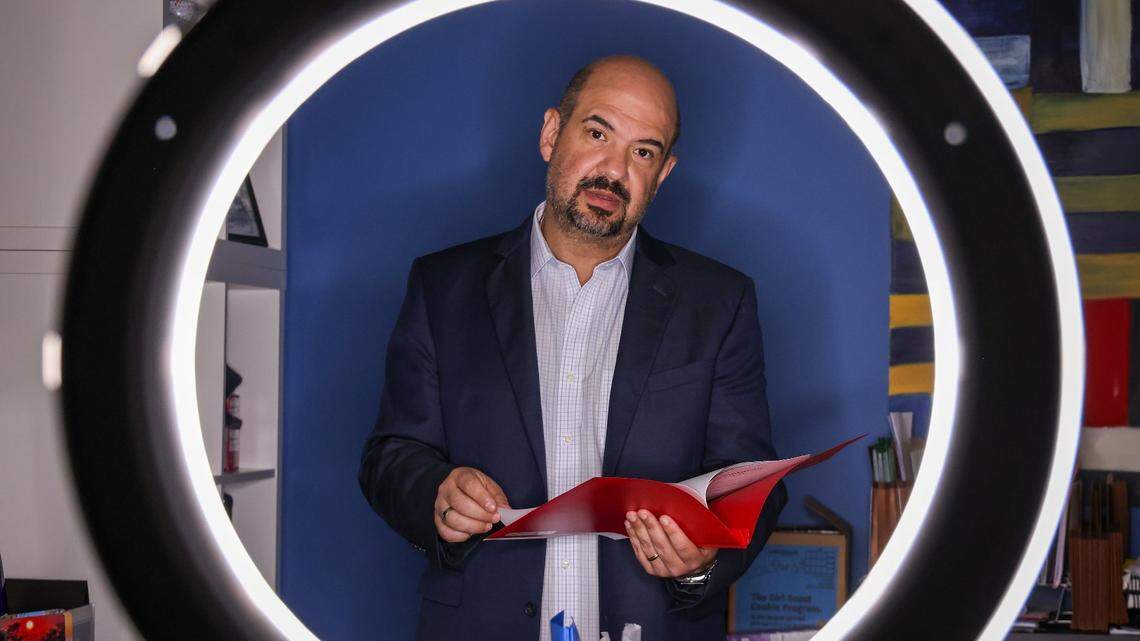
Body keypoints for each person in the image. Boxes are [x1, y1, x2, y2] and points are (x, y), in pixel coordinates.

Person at [358, 54, 785, 641]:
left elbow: (749, 483)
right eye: (597, 133)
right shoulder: (442, 286)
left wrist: (703, 560)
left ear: (662, 175)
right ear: (551, 133)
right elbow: (392, 455)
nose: (614, 171)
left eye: (643, 152)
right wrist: (435, 495)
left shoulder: (721, 301)